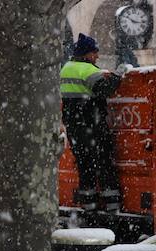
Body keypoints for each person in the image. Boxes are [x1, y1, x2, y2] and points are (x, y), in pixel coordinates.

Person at [60, 33, 124, 214]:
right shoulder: (87, 71)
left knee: (85, 168)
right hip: (92, 126)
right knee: (105, 166)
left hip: (75, 129)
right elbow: (104, 90)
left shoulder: (66, 68)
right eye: (94, 53)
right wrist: (118, 75)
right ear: (86, 53)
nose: (97, 56)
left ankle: (90, 208)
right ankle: (113, 208)